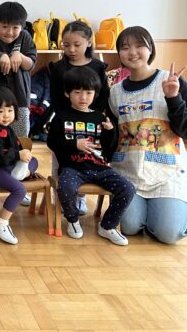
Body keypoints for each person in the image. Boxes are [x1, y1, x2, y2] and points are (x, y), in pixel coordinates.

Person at [109, 26, 187, 244]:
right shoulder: (115, 92)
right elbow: (112, 134)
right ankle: (150, 216)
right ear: (119, 53)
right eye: (125, 47)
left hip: (167, 172)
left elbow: (184, 130)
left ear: (150, 48)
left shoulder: (171, 81)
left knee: (169, 234)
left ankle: (166, 215)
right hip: (128, 172)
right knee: (130, 227)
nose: (132, 52)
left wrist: (173, 98)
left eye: (139, 46)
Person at [48, 66, 135, 245]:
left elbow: (108, 148)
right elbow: (52, 142)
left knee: (127, 188)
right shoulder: (61, 117)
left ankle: (107, 225)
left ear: (95, 94)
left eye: (88, 92)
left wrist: (110, 132)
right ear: (67, 93)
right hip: (73, 168)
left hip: (100, 168)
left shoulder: (99, 118)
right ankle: (72, 220)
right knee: (65, 187)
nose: (83, 97)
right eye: (77, 92)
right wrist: (74, 144)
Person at [50, 20, 110, 216]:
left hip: (91, 122)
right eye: (66, 45)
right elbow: (55, 97)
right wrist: (64, 118)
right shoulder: (58, 68)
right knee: (61, 160)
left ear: (89, 43)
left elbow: (103, 95)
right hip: (65, 122)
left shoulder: (98, 66)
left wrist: (95, 116)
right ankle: (63, 196)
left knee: (87, 159)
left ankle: (80, 196)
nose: (71, 50)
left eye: (77, 44)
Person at [0, 87, 38, 245]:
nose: (6, 115)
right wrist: (18, 155)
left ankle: (22, 172)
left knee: (34, 160)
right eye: (0, 111)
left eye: (10, 110)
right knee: (20, 190)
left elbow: (17, 149)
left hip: (10, 166)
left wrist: (24, 155)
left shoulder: (9, 129)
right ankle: (1, 223)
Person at [0, 1, 36, 138]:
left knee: (20, 137)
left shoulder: (25, 37)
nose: (10, 32)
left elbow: (30, 65)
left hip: (20, 99)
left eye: (15, 27)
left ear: (22, 27)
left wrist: (20, 56)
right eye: (5, 26)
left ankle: (19, 152)